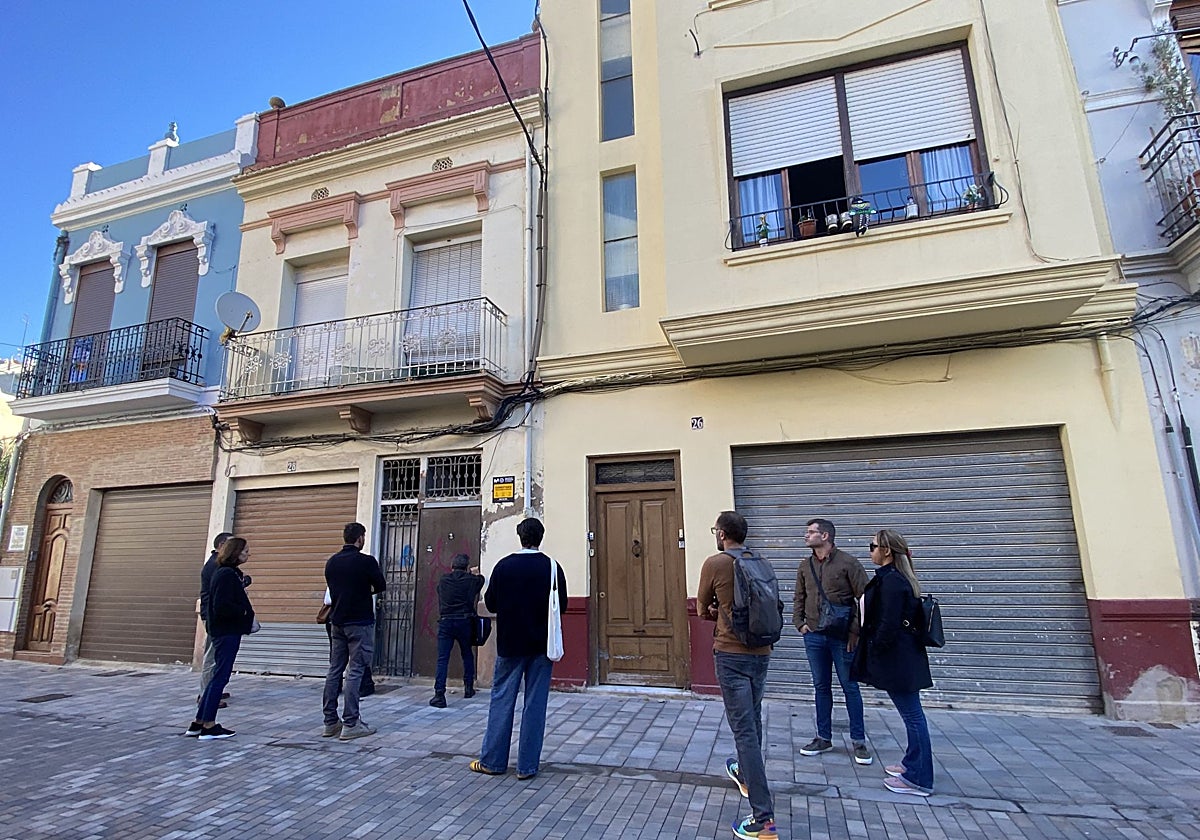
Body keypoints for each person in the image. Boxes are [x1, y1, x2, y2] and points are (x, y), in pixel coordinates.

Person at [698, 511, 778, 840]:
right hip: (761, 653)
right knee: (753, 720)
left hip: (731, 655)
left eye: (716, 530)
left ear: (722, 535)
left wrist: (719, 611)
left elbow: (702, 609)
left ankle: (764, 820)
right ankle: (745, 774)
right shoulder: (760, 561)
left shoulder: (716, 563)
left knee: (743, 730)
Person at [470, 517, 566, 781]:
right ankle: (527, 766)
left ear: (519, 536)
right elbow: (564, 605)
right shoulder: (552, 567)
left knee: (502, 699)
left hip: (510, 644)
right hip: (541, 646)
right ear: (541, 537)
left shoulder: (504, 567)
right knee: (535, 705)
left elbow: (490, 604)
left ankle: (493, 761)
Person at [852, 529, 935, 797]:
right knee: (911, 715)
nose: (870, 550)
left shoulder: (893, 583)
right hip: (902, 657)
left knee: (912, 716)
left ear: (887, 551)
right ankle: (912, 764)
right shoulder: (894, 579)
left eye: (873, 546)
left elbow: (887, 624)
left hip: (899, 659)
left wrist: (875, 650)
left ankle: (919, 779)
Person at [793, 517, 871, 765]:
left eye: (811, 532)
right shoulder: (805, 566)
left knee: (850, 687)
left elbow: (865, 598)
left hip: (842, 637)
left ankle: (858, 741)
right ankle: (823, 737)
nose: (806, 536)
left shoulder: (848, 563)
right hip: (814, 634)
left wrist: (855, 633)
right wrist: (800, 623)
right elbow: (799, 595)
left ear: (825, 536)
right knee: (821, 687)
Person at [184, 537, 254, 740]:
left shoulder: (226, 573)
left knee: (217, 676)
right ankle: (209, 725)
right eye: (245, 551)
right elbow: (222, 606)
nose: (248, 554)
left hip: (223, 630)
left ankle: (199, 722)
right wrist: (242, 612)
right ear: (235, 553)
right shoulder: (225, 574)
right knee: (220, 677)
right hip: (226, 632)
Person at [322, 522, 386, 741]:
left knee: (334, 670)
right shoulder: (366, 562)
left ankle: (330, 721)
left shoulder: (332, 562)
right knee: (356, 670)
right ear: (360, 538)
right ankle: (351, 722)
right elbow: (380, 585)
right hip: (359, 621)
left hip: (337, 620)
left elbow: (332, 587)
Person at [430, 553, 485, 708]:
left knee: (442, 659)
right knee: (467, 654)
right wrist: (476, 573)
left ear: (452, 566)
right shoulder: (471, 580)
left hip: (446, 621)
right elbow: (480, 581)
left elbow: (439, 591)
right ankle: (468, 687)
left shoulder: (443, 580)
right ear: (466, 567)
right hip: (464, 621)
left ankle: (439, 694)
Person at [197, 532, 233, 708]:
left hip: (216, 617)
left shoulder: (219, 564)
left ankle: (213, 689)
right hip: (213, 617)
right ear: (221, 546)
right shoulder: (214, 566)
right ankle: (205, 695)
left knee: (218, 656)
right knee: (211, 657)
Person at [323, 587, 375, 698]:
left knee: (336, 663)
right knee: (357, 661)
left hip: (337, 621)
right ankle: (362, 688)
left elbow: (328, 600)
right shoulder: (359, 577)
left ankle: (331, 707)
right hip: (354, 622)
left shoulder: (334, 572)